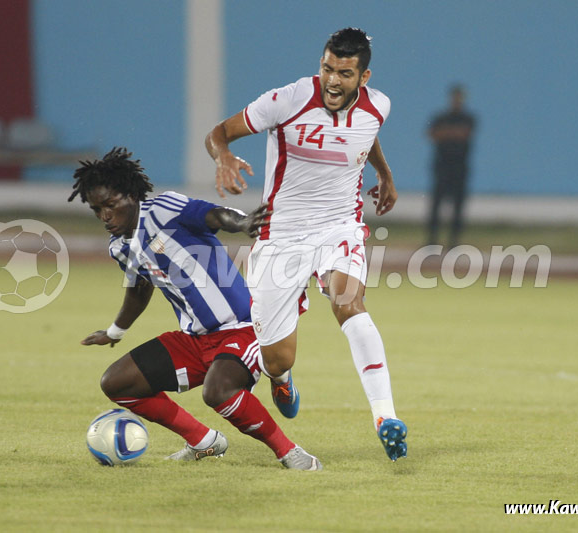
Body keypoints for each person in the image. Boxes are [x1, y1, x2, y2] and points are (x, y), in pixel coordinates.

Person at [205, 28, 407, 461]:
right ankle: (282, 379)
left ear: (364, 77)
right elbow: (218, 132)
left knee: (349, 303)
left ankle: (385, 417)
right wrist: (223, 156)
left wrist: (384, 174)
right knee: (277, 359)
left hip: (339, 227)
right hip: (279, 236)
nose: (333, 80)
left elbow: (366, 134)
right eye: (327, 68)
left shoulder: (378, 106)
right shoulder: (287, 100)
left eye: (345, 73)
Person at [68, 147, 322, 470]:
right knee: (116, 383)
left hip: (243, 326)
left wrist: (242, 222)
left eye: (110, 205)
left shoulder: (162, 210)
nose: (105, 215)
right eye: (97, 209)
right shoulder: (119, 246)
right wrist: (115, 331)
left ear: (131, 196)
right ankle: (204, 441)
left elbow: (212, 214)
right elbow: (139, 288)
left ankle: (289, 449)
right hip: (194, 339)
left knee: (218, 390)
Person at [427, 84, 476, 248]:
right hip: (442, 166)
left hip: (460, 167)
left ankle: (453, 241)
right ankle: (432, 240)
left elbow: (465, 134)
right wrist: (453, 133)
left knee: (458, 206)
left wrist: (446, 133)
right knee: (436, 205)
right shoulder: (441, 118)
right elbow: (432, 134)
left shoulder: (468, 118)